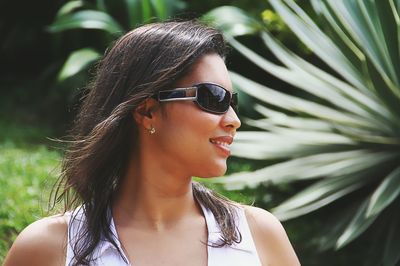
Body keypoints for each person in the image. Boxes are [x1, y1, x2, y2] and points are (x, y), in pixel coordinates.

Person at [4, 20, 300, 266]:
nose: (233, 119)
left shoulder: (258, 236)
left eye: (231, 101)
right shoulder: (49, 248)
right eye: (214, 98)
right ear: (147, 111)